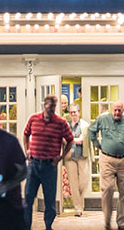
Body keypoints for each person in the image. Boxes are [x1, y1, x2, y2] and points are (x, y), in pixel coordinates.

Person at [89, 101, 124, 230]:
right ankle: (107, 221)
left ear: (123, 111)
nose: (117, 113)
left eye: (119, 110)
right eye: (115, 110)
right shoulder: (103, 120)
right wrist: (96, 144)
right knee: (107, 189)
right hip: (107, 159)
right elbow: (91, 131)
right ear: (111, 110)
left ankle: (122, 222)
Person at [22, 94, 73, 230]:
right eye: (49, 106)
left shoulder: (61, 122)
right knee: (27, 198)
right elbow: (26, 134)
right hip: (33, 165)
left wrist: (61, 157)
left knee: (50, 201)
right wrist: (27, 150)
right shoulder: (33, 119)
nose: (51, 110)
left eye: (53, 107)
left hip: (50, 166)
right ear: (44, 105)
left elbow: (70, 140)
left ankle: (48, 226)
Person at [63, 104, 91, 217]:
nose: (73, 114)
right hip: (70, 156)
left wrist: (72, 140)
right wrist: (75, 140)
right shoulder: (66, 125)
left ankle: (79, 202)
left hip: (82, 156)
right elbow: (64, 139)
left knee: (84, 181)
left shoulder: (85, 125)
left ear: (79, 112)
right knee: (73, 183)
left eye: (75, 112)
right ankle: (78, 208)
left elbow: (84, 140)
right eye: (71, 112)